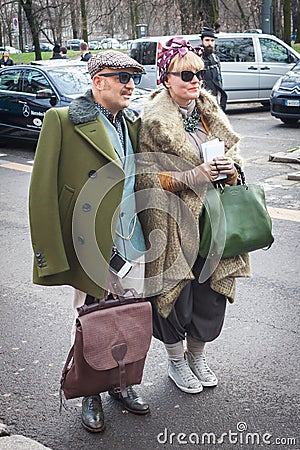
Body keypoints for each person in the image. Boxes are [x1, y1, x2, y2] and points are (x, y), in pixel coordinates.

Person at [29, 50, 150, 433]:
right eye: (123, 77)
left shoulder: (131, 123)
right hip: (90, 243)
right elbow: (43, 190)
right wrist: (50, 252)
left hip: (130, 240)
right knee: (89, 318)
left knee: (128, 315)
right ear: (99, 82)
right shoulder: (62, 120)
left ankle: (123, 383)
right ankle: (91, 392)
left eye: (134, 78)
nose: (131, 85)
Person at [136, 38, 250, 395]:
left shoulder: (209, 111)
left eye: (199, 72)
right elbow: (145, 178)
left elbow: (236, 158)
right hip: (173, 223)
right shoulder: (153, 121)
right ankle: (175, 362)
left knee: (210, 295)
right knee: (176, 295)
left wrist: (231, 170)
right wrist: (192, 176)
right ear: (166, 78)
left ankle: (196, 356)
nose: (195, 79)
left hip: (215, 222)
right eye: (186, 73)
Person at [200, 28, 227, 111]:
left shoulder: (215, 58)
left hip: (214, 100)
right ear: (202, 41)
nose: (210, 43)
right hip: (201, 100)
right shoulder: (197, 58)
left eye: (212, 40)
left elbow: (219, 79)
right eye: (207, 40)